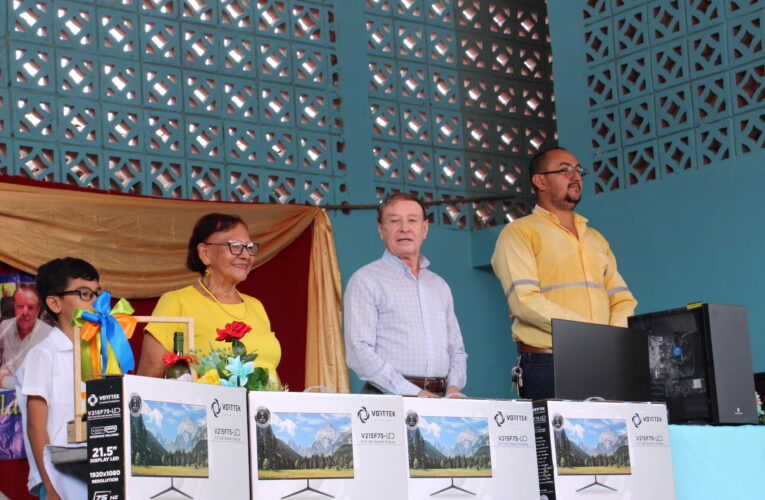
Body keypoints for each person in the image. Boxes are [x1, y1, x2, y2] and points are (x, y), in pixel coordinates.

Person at [491, 147, 637, 400]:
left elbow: (622, 299)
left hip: (603, 360)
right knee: (555, 440)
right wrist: (589, 336)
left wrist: (610, 341)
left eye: (579, 170)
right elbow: (524, 301)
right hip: (547, 363)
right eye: (565, 169)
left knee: (611, 440)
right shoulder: (519, 233)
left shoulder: (596, 239)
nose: (576, 176)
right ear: (540, 181)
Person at [344, 193, 468, 397]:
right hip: (387, 398)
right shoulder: (366, 280)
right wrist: (413, 392)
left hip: (442, 399)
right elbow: (359, 351)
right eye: (394, 221)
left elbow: (457, 350)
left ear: (424, 228)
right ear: (381, 230)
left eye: (412, 220)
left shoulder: (439, 285)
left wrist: (454, 388)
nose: (404, 228)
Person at [137, 213, 281, 381]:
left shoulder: (256, 306)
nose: (245, 255)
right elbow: (147, 379)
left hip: (264, 407)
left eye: (249, 247)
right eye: (234, 246)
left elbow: (270, 372)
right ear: (205, 253)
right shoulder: (177, 302)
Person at [16, 257, 99, 499]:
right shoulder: (44, 353)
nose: (94, 301)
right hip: (60, 478)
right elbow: (35, 425)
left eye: (97, 292)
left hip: (97, 473)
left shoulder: (98, 352)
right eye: (84, 293)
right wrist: (51, 487)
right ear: (54, 303)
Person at [0, 287, 53, 388]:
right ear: (14, 307)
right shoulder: (4, 326)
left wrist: (4, 381)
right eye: (20, 306)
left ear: (38, 310)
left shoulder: (49, 334)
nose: (24, 313)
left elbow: (44, 382)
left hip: (33, 397)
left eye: (30, 307)